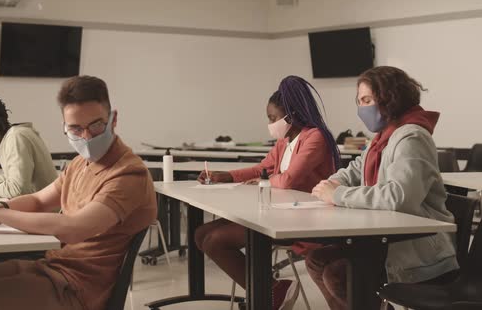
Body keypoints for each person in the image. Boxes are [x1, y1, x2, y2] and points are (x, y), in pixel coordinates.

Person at [0, 76, 158, 310]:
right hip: (54, 266)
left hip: (77, 290)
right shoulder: (79, 164)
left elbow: (74, 228)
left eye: (96, 125)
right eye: (75, 128)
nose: (86, 137)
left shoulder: (128, 174)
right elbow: (37, 200)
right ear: (65, 127)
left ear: (113, 119)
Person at [309, 66, 459, 310]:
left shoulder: (412, 137)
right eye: (359, 101)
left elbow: (399, 197)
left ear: (390, 97)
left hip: (416, 252)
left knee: (337, 274)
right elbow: (355, 170)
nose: (361, 108)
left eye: (367, 100)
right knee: (317, 260)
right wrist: (332, 183)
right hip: (383, 241)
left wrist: (337, 194)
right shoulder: (381, 138)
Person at [195, 75, 341, 310]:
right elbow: (262, 168)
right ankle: (272, 290)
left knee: (215, 242)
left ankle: (271, 293)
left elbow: (289, 178)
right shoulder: (285, 140)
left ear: (291, 116)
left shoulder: (315, 137)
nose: (270, 123)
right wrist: (227, 175)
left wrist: (263, 181)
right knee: (202, 233)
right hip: (279, 210)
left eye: (273, 118)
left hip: (303, 217)